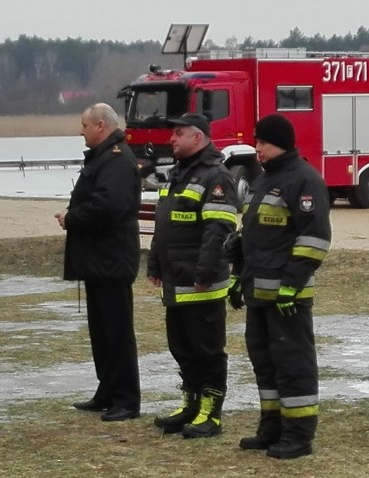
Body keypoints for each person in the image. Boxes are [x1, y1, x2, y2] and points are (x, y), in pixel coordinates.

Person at [229, 114, 331, 459]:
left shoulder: (304, 180)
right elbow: (253, 238)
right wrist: (236, 275)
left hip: (288, 298)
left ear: (281, 143)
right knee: (266, 364)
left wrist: (291, 285)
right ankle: (271, 429)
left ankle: (299, 437)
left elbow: (314, 239)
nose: (257, 148)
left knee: (293, 365)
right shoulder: (263, 180)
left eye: (263, 142)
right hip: (258, 293)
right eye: (257, 142)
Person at [147, 113, 238, 438]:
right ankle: (191, 403)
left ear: (197, 138)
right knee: (181, 348)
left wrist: (204, 272)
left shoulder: (215, 177)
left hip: (201, 284)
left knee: (207, 351)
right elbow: (164, 225)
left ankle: (210, 414)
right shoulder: (177, 175)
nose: (172, 139)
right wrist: (154, 264)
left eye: (179, 134)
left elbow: (219, 231)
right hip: (175, 281)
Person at [54, 103, 142, 422]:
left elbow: (109, 206)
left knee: (117, 332)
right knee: (101, 332)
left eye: (85, 125)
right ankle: (107, 391)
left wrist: (73, 217)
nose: (81, 131)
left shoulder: (117, 159)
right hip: (99, 262)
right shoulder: (105, 156)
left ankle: (127, 400)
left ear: (101, 126)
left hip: (112, 261)